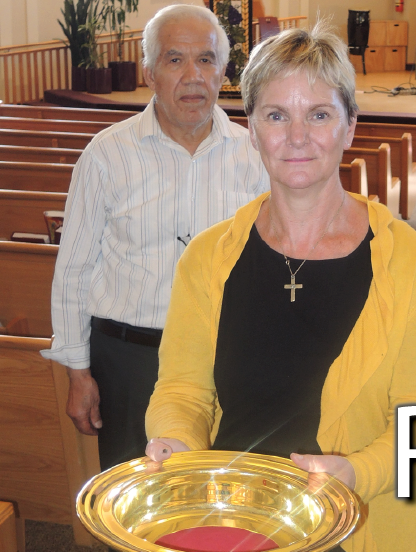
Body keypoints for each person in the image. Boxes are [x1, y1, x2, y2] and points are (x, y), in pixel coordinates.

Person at [144, 23, 416, 552]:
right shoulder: (207, 258)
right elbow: (182, 390)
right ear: (252, 130)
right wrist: (176, 442)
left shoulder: (413, 264)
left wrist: (357, 473)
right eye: (275, 115)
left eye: (318, 114)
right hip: (237, 523)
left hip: (362, 525)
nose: (296, 137)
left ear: (350, 126)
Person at [41, 4, 270, 470]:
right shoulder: (107, 156)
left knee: (220, 504)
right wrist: (78, 373)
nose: (192, 76)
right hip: (127, 361)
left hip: (223, 360)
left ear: (223, 71)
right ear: (149, 71)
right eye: (174, 60)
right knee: (134, 511)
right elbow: (74, 271)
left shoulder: (256, 156)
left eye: (206, 60)